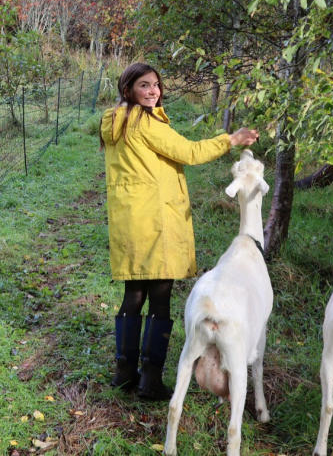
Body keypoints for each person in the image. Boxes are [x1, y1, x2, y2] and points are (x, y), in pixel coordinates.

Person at [99, 62, 259, 400]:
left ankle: (125, 373)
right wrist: (231, 139)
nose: (153, 91)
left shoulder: (117, 120)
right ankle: (150, 380)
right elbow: (188, 152)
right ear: (128, 89)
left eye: (156, 85)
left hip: (130, 221)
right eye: (144, 85)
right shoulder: (144, 121)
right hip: (155, 222)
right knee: (159, 297)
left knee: (134, 295)